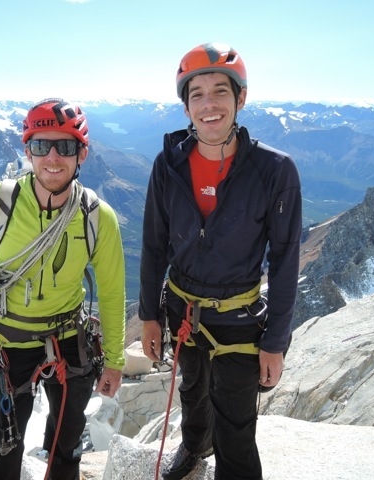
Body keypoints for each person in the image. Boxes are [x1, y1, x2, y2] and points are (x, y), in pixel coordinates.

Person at [139, 43, 302, 480]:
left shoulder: (274, 170)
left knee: (236, 425)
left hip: (238, 318)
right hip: (183, 309)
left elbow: (286, 260)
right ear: (186, 105)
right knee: (193, 392)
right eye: (196, 94)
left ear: (240, 99)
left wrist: (275, 341)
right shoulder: (168, 164)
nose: (208, 105)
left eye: (219, 92)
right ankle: (194, 449)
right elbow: (154, 245)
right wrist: (149, 316)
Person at [0, 98, 126, 480]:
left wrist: (115, 360)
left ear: (83, 153)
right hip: (7, 343)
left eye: (66, 146)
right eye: (42, 146)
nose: (53, 158)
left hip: (70, 340)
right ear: (28, 151)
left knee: (66, 451)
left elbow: (111, 292)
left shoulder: (97, 217)